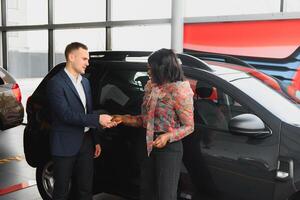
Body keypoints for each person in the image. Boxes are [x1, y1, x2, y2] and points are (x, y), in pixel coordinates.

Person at [112, 48, 194, 200]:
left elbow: (189, 126)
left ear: (162, 68)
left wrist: (167, 136)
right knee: (146, 192)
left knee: (165, 195)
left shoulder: (179, 90)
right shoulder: (151, 87)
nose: (148, 71)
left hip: (169, 149)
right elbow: (145, 120)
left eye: (150, 68)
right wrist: (124, 119)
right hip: (146, 144)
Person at [46, 42, 117, 200]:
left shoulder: (85, 82)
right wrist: (97, 119)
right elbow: (66, 115)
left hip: (85, 142)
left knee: (86, 189)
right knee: (61, 191)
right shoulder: (56, 83)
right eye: (84, 58)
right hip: (64, 143)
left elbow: (88, 111)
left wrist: (95, 139)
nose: (87, 63)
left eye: (88, 59)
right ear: (71, 57)